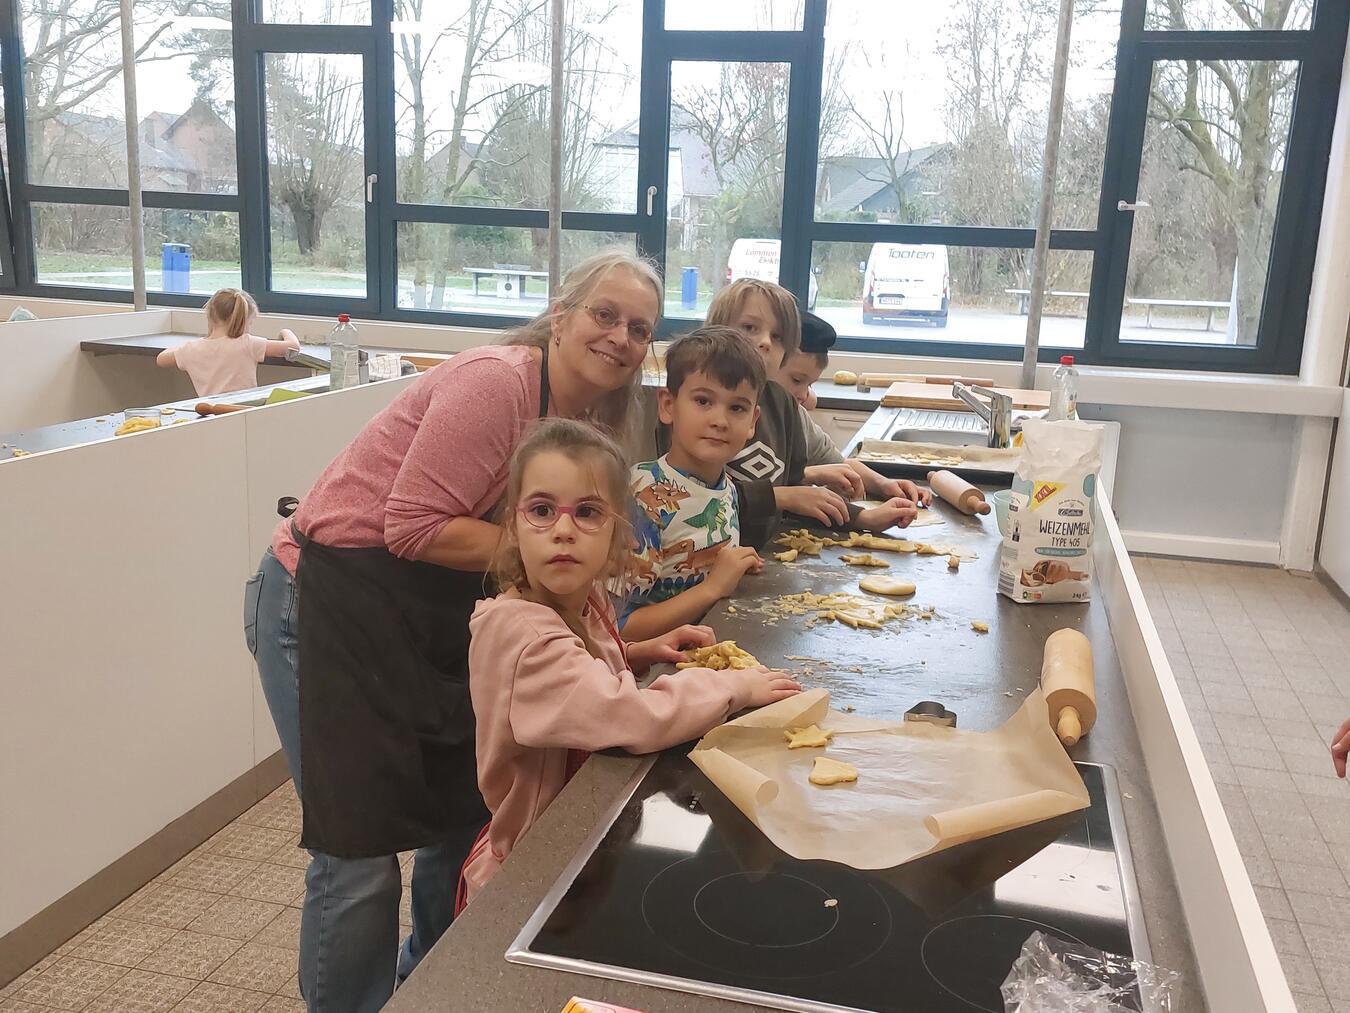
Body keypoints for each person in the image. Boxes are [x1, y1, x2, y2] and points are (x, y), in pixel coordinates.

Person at [242, 251, 662, 1013]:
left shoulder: (593, 422)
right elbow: (411, 525)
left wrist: (619, 646)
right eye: (605, 314)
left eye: (639, 328)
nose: (620, 337)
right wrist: (552, 541)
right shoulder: (497, 384)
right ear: (560, 316)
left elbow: (555, 575)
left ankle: (430, 991)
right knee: (358, 853)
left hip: (429, 615)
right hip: (326, 602)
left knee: (460, 821)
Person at [459, 418, 800, 905]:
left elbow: (580, 670)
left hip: (575, 833)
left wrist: (637, 652)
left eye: (587, 512)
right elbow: (631, 716)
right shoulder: (524, 635)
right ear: (512, 528)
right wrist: (734, 687)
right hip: (529, 866)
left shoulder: (582, 598)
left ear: (618, 532)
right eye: (541, 510)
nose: (563, 530)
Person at [699, 279, 918, 547]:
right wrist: (785, 496)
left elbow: (800, 495)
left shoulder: (782, 406)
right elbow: (699, 496)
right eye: (749, 328)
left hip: (759, 554)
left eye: (778, 336)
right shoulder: (701, 406)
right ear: (713, 332)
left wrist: (863, 518)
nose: (765, 342)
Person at [619, 326, 766, 642]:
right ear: (668, 406)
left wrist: (732, 568)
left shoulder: (725, 487)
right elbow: (617, 627)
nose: (720, 420)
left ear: (752, 422)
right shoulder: (642, 499)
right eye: (703, 401)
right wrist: (712, 588)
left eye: (737, 408)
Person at [779, 311, 931, 508]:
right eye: (797, 380)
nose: (804, 395)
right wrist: (808, 475)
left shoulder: (796, 418)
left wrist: (885, 484)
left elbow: (837, 463)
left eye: (810, 385)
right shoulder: (746, 420)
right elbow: (749, 493)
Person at [157, 288, 300, 397]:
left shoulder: (191, 349)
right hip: (244, 412)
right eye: (250, 323)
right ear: (242, 321)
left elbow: (161, 359)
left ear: (210, 316)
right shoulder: (247, 343)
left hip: (210, 414)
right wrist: (285, 331)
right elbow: (292, 346)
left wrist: (189, 345)